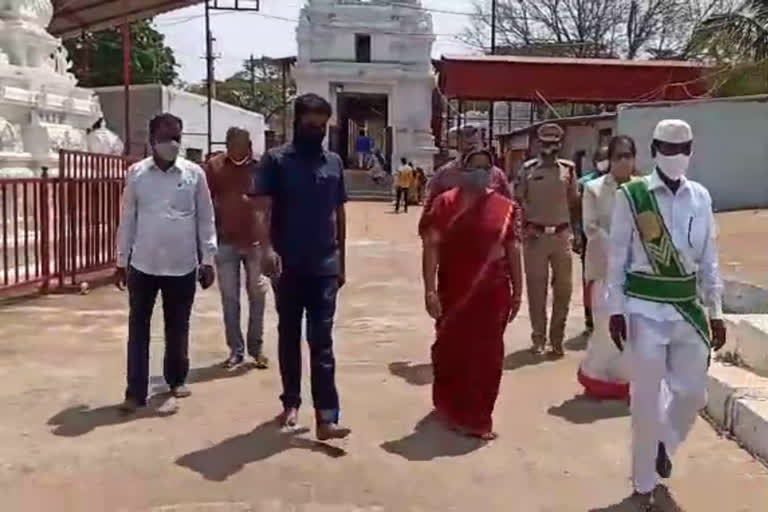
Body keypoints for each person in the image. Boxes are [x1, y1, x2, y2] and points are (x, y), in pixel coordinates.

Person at [606, 120, 727, 507]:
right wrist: (615, 309)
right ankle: (643, 485)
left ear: (691, 150)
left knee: (692, 393)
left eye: (683, 149)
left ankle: (664, 445)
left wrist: (717, 309)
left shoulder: (701, 197)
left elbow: (709, 257)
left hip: (686, 307)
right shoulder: (633, 195)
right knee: (645, 398)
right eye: (668, 149)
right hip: (643, 308)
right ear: (655, 150)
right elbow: (616, 257)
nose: (676, 157)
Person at [250, 93, 351, 441]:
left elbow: (339, 213)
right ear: (298, 123)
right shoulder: (276, 161)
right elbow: (261, 208)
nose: (318, 131)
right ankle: (291, 400)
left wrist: (341, 262)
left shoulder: (334, 162)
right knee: (290, 335)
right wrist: (266, 248)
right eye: (312, 125)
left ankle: (327, 416)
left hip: (324, 262)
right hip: (288, 264)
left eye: (323, 125)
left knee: (321, 339)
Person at [115, 113, 217, 414]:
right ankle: (135, 392)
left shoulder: (194, 174)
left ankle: (176, 380)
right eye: (165, 137)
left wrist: (207, 259)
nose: (171, 143)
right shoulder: (136, 174)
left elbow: (205, 218)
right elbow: (128, 218)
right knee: (138, 329)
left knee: (178, 327)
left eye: (177, 137)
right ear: (151, 140)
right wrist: (121, 260)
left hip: (182, 263)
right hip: (143, 264)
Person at [421, 149, 523, 440]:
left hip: (493, 295)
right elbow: (431, 248)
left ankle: (478, 418)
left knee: (488, 357)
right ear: (462, 170)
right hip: (454, 292)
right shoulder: (445, 203)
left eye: (485, 167)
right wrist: (429, 290)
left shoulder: (505, 207)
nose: (480, 172)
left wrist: (518, 292)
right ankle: (450, 407)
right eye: (474, 166)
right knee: (452, 351)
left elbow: (513, 250)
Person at [205, 127, 270, 370]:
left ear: (250, 146)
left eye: (244, 145)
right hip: (225, 242)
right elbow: (205, 202)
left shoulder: (261, 167)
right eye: (234, 146)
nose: (240, 150)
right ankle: (236, 350)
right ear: (228, 145)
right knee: (230, 298)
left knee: (258, 295)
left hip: (255, 242)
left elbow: (270, 204)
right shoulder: (214, 167)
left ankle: (257, 348)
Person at [577, 137, 636, 400]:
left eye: (628, 156)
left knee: (633, 327)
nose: (624, 161)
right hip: (603, 269)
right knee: (605, 324)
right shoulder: (593, 188)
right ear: (610, 160)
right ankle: (599, 377)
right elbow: (591, 228)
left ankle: (627, 379)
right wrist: (618, 247)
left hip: (637, 272)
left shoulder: (644, 188)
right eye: (619, 156)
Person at [515, 123, 580, 357]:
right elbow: (518, 202)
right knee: (536, 291)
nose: (549, 148)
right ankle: (538, 339)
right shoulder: (528, 170)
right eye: (545, 144)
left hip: (561, 236)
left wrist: (577, 234)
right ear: (538, 145)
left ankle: (557, 339)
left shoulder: (569, 170)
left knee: (563, 290)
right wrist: (524, 227)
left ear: (559, 145)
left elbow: (575, 203)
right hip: (536, 237)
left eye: (554, 144)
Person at [419, 125, 511, 235]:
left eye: (474, 143)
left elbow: (509, 206)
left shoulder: (496, 175)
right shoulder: (445, 174)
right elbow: (430, 206)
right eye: (467, 143)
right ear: (458, 144)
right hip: (453, 236)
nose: (471, 147)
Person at [577, 146, 611, 335]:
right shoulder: (585, 183)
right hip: (589, 237)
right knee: (591, 278)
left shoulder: (619, 182)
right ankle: (590, 319)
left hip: (614, 236)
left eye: (606, 157)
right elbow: (576, 211)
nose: (603, 161)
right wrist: (577, 235)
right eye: (600, 158)